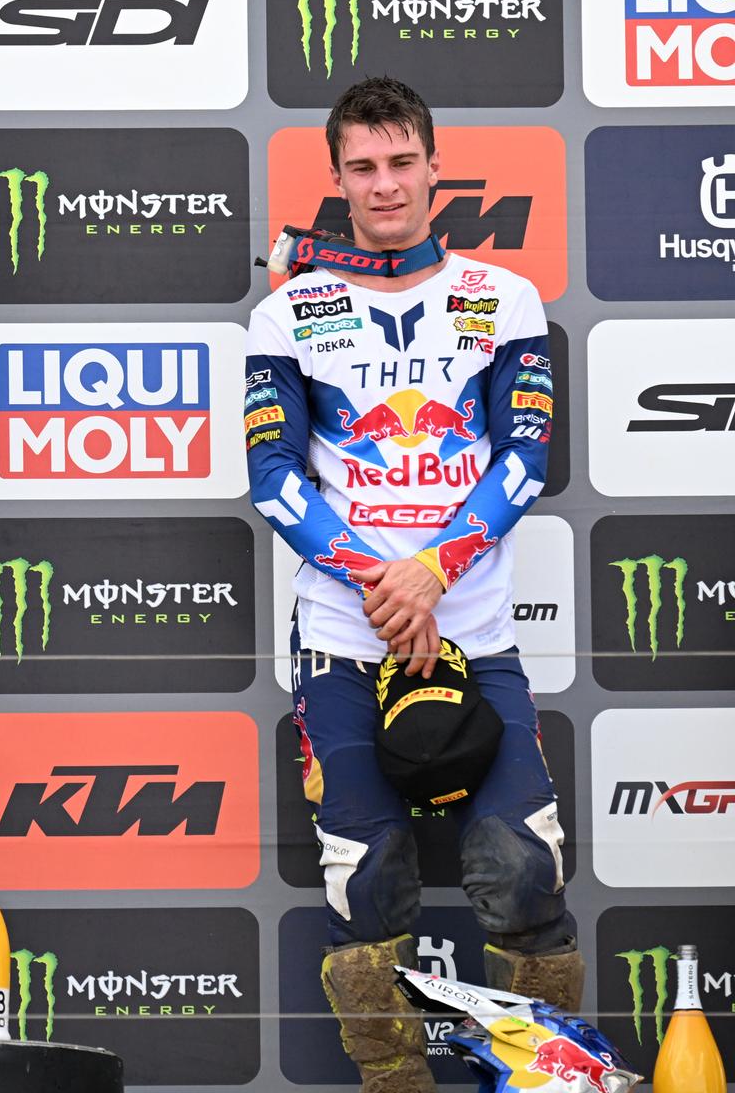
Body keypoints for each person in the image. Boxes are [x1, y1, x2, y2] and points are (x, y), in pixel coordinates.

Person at [245, 77, 577, 1092]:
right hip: (343, 644)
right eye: (363, 166)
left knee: (523, 871)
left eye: (402, 162)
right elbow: (272, 477)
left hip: (474, 631)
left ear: (436, 167)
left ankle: (548, 1079)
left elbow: (525, 457)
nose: (384, 184)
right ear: (336, 177)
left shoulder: (504, 297)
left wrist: (431, 571)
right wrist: (385, 586)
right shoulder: (288, 309)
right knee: (370, 883)